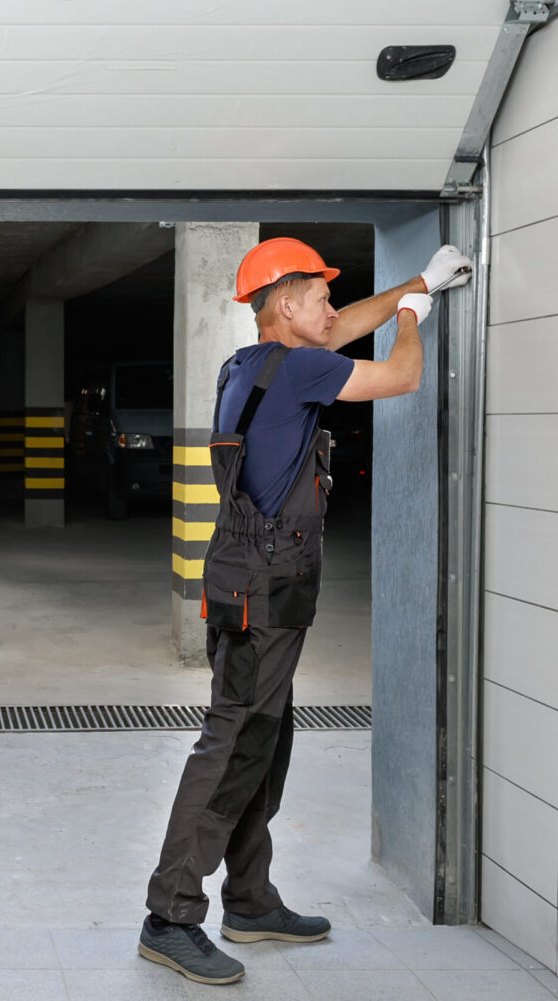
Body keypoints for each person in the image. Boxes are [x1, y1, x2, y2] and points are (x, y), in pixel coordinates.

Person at [137, 237, 472, 986]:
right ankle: (169, 916)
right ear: (285, 305)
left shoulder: (252, 366)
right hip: (265, 589)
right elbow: (402, 375)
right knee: (231, 747)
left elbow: (343, 329)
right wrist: (414, 315)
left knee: (265, 740)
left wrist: (418, 281)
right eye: (319, 295)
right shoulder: (303, 369)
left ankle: (250, 901)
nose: (331, 306)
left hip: (247, 585)